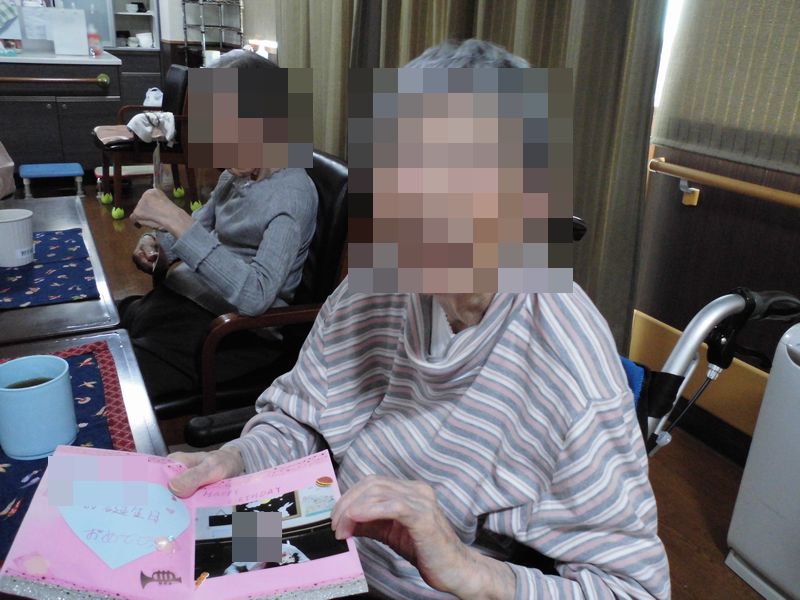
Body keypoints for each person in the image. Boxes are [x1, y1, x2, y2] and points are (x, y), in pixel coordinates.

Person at [168, 40, 670, 599]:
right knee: (169, 565)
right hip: (309, 537)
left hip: (409, 588)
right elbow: (300, 419)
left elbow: (635, 590)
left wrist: (469, 569)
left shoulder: (568, 361)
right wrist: (237, 458)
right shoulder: (377, 282)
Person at [121, 50, 318, 400]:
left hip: (235, 334)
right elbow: (200, 224)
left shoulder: (292, 196)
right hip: (189, 301)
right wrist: (157, 242)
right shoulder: (237, 174)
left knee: (119, 378)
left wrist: (175, 219)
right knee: (109, 329)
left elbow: (256, 297)